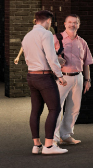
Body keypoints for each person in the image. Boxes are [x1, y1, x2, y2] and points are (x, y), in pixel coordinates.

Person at [20, 11, 69, 155]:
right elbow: (50, 56)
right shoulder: (46, 34)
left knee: (36, 111)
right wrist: (60, 75)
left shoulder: (27, 36)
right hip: (44, 77)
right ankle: (49, 146)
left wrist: (53, 60)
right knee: (54, 109)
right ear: (48, 21)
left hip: (31, 76)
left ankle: (37, 145)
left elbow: (32, 57)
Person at [54, 14, 93, 146]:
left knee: (74, 108)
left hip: (78, 77)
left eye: (75, 23)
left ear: (78, 25)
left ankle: (65, 135)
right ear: (65, 24)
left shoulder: (82, 42)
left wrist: (87, 80)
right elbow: (44, 57)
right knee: (56, 108)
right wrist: (56, 60)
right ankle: (53, 138)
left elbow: (86, 62)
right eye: (70, 22)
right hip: (61, 78)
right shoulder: (56, 39)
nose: (72, 25)